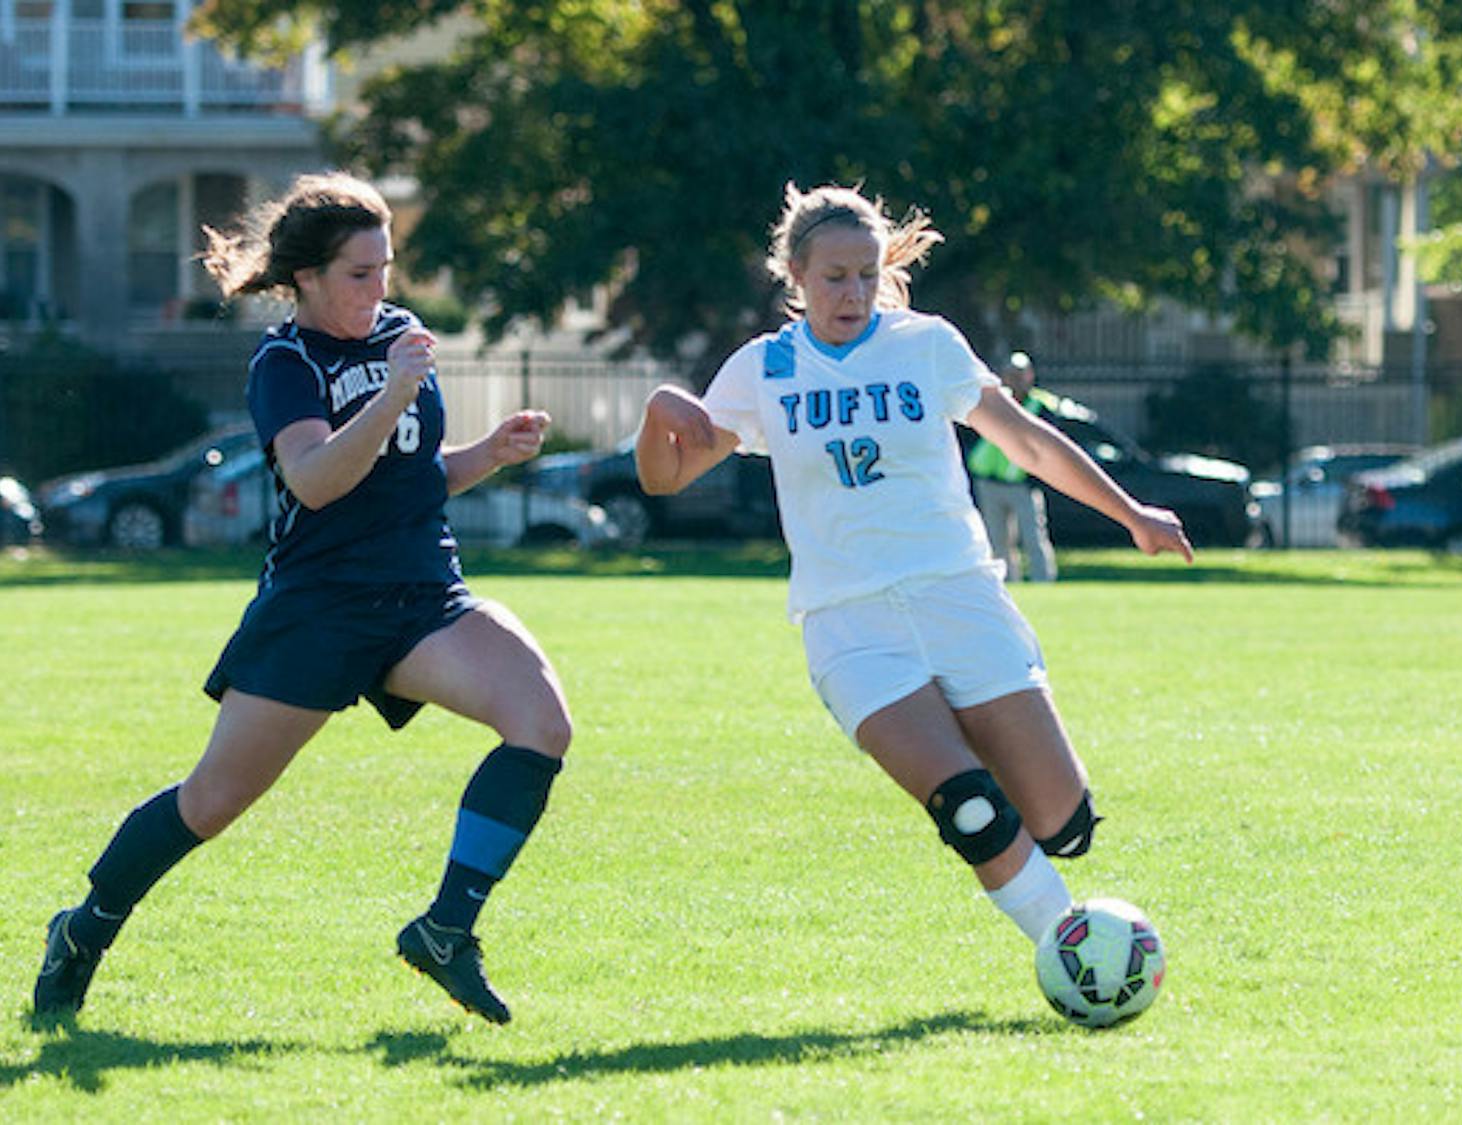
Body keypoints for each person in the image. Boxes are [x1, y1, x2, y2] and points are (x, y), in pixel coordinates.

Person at [32, 172, 571, 1027]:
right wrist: (393, 390)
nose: (379, 290)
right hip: (320, 604)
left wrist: (487, 456)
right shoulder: (284, 362)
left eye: (386, 269)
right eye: (359, 273)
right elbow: (317, 481)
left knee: (542, 722)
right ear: (307, 278)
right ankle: (83, 929)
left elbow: (406, 478)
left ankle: (444, 930)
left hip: (425, 592)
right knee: (212, 801)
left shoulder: (398, 335)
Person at [635, 182, 1192, 961]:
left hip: (958, 596)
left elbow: (1027, 442)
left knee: (1062, 821)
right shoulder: (763, 369)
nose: (853, 291)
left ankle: (1051, 884)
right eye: (834, 275)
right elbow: (664, 480)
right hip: (849, 622)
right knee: (969, 808)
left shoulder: (925, 344)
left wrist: (1131, 513)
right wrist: (660, 409)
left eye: (867, 272)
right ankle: (1074, 952)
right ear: (794, 274)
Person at [967, 351, 1058, 582]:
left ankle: (1042, 580)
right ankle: (1007, 583)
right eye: (1010, 374)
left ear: (1029, 376)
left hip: (1023, 484)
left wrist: (1036, 480)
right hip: (991, 481)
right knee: (998, 540)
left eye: (1019, 375)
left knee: (1033, 537)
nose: (1014, 380)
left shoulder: (1041, 405)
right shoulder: (994, 401)